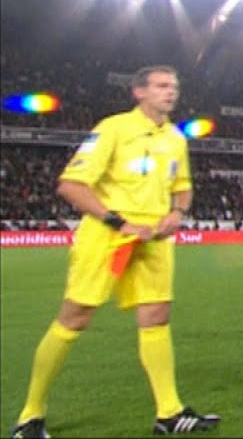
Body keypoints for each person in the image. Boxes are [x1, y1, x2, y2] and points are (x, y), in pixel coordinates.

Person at [10, 66, 220, 438]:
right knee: (75, 317)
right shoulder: (113, 129)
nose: (170, 92)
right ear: (139, 92)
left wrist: (177, 213)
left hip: (153, 239)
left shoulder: (175, 138)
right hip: (107, 236)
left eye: (174, 86)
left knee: (156, 316)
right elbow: (71, 185)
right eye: (161, 86)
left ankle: (169, 413)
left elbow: (183, 186)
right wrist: (117, 222)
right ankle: (31, 414)